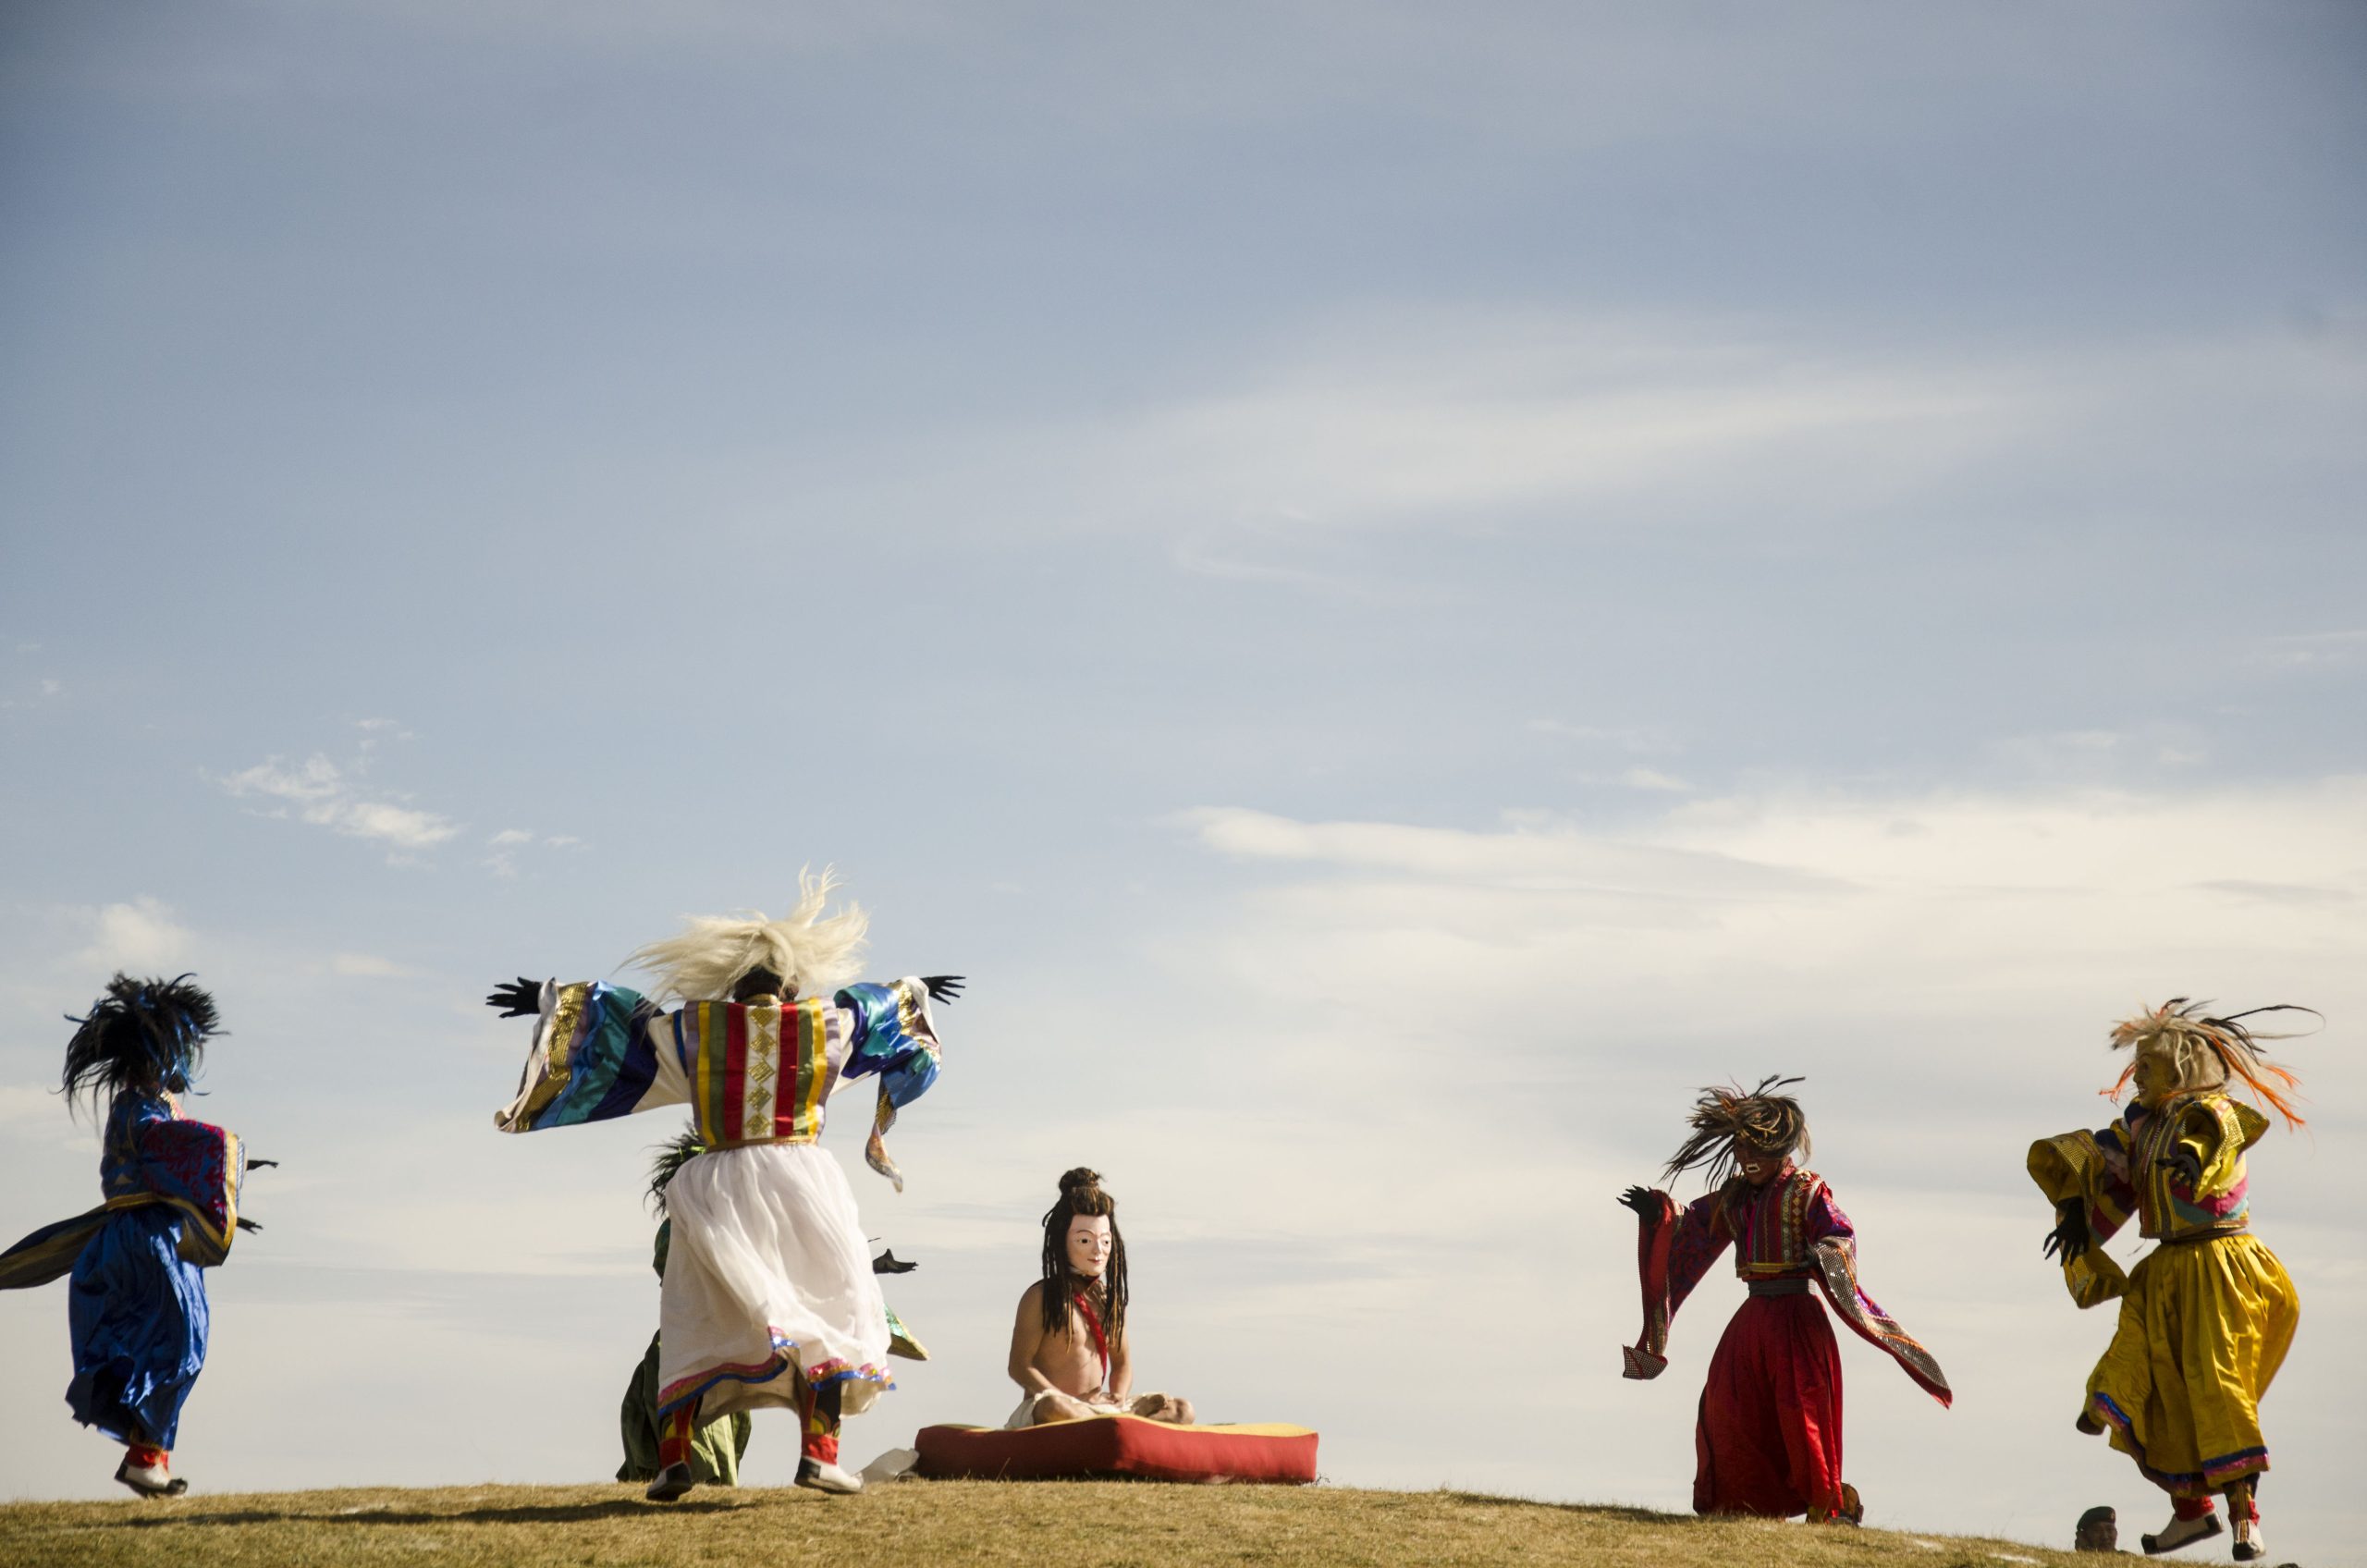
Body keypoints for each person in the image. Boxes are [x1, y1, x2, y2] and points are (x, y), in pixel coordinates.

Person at [488, 871, 960, 1500]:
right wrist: (917, 989)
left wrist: (552, 999)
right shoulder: (827, 1026)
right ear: (793, 983)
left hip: (713, 1181)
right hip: (800, 1178)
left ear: (735, 985)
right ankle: (819, 1455)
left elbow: (615, 1026)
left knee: (698, 1317)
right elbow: (885, 1013)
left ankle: (673, 1460)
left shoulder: (695, 1031)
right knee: (827, 1308)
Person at [2030, 999, 2311, 1562]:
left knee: (2217, 1384)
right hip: (2163, 1273)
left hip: (2221, 1267)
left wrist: (2192, 1158)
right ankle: (2191, 1514)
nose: (2137, 1077)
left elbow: (2220, 1134)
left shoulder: (2208, 1113)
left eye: (2149, 1066)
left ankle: (2244, 1516)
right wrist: (2077, 1214)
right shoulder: (2141, 1125)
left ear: (2181, 1069)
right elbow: (2103, 1168)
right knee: (2148, 1387)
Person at [1619, 1076, 1949, 1524]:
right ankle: (1740, 1506)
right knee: (1727, 1408)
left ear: (1780, 1148)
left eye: (1758, 1149)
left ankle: (1827, 1507)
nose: (1748, 1159)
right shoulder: (1735, 1198)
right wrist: (1658, 1213)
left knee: (1802, 1416)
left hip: (1797, 1320)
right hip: (1752, 1318)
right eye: (1743, 1149)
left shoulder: (1809, 1190)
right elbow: (1692, 1225)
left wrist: (1827, 1253)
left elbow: (1840, 1234)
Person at [0, 974, 267, 1497]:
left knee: (161, 1346)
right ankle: (146, 1459)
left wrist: (222, 1175)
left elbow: (164, 1160)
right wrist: (222, 1152)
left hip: (132, 1237)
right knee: (180, 1344)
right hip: (150, 1240)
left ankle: (149, 1459)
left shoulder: (144, 1104)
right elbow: (161, 1148)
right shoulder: (144, 1107)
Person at [1005, 1168, 1194, 1427]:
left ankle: (1115, 1418)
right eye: (1085, 1241)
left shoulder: (1109, 1300)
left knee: (1182, 1409)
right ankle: (1111, 1422)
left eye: (1105, 1242)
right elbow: (1019, 1366)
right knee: (1055, 1407)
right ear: (1062, 1241)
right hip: (1048, 1408)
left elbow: (1122, 1363)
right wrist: (1059, 1396)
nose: (1098, 1251)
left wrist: (1118, 1396)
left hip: (1099, 1409)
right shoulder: (1040, 1297)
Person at [617, 1130, 753, 1488]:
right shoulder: (717, 1228)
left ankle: (689, 1469)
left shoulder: (710, 1228)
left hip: (705, 1338)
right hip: (697, 1336)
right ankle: (681, 1467)